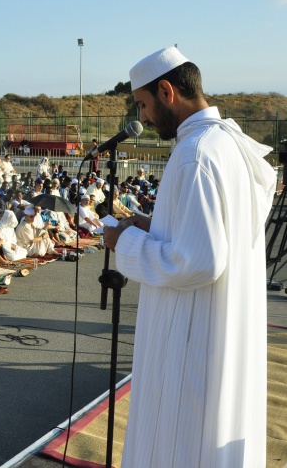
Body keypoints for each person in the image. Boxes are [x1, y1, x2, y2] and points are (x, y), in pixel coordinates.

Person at [103, 47, 276, 467]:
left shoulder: (195, 154)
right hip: (222, 329)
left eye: (143, 105)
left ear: (167, 91)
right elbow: (219, 230)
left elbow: (200, 260)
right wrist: (151, 224)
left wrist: (120, 243)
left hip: (193, 343)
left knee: (180, 441)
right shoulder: (228, 142)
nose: (142, 118)